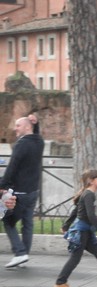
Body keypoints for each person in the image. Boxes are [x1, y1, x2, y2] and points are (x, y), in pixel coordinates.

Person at [0, 114, 44, 268]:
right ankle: (24, 254)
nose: (15, 128)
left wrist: (2, 185)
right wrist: (36, 125)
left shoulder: (21, 144)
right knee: (28, 222)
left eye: (18, 125)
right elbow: (36, 134)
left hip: (20, 192)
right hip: (33, 191)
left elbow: (12, 166)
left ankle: (20, 253)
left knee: (7, 220)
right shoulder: (39, 142)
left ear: (27, 127)